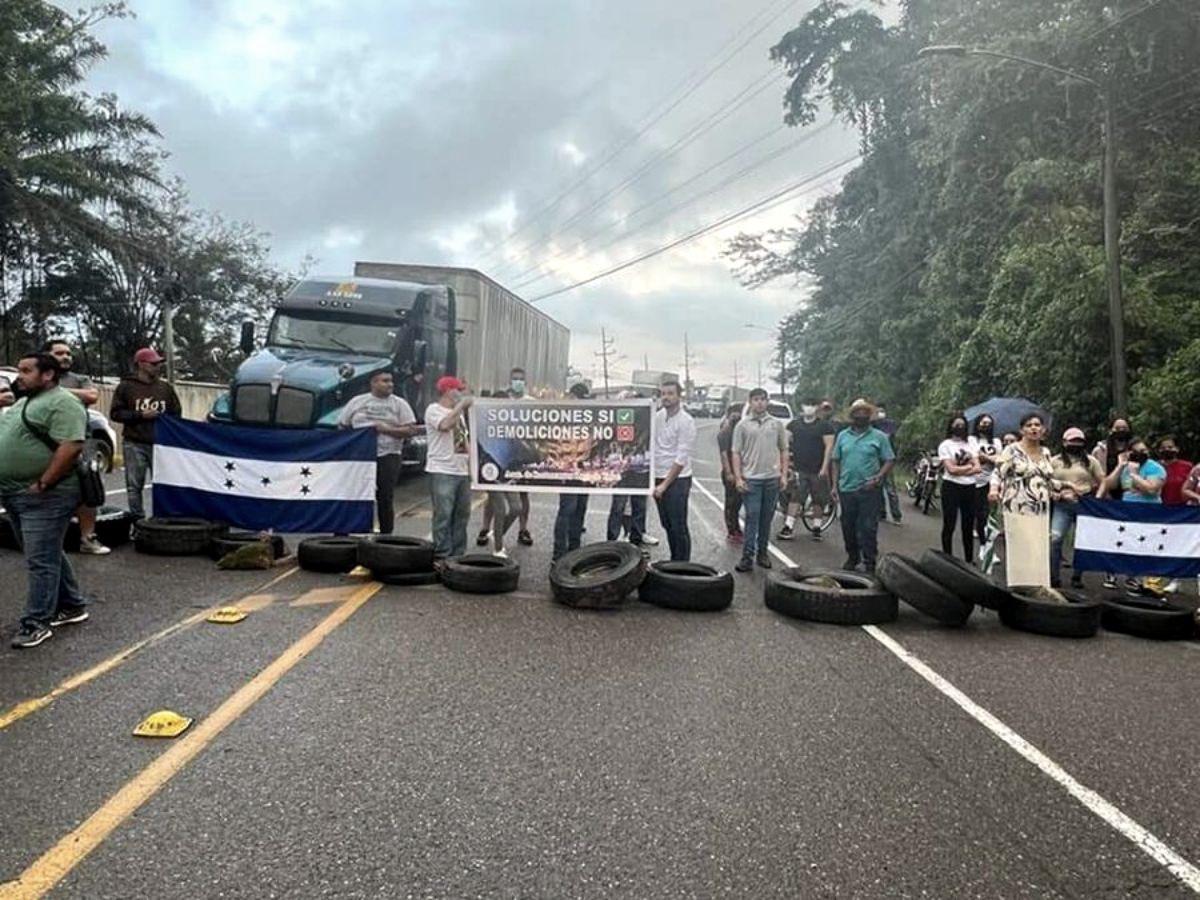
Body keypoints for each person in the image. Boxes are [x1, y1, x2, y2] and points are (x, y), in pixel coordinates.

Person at [2, 352, 90, 649]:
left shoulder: (63, 402)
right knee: (45, 552)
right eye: (19, 370)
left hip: (48, 495)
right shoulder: (26, 402)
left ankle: (37, 622)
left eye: (26, 371)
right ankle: (73, 605)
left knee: (40, 560)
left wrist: (43, 483)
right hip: (15, 493)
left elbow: (71, 446)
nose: (19, 376)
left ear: (48, 374)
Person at [43, 339, 108, 555]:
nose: (65, 357)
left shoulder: (79, 379)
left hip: (81, 439)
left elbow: (92, 395)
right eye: (59, 353)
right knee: (45, 487)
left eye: (68, 353)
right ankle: (45, 540)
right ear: (47, 356)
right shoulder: (39, 377)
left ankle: (87, 538)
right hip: (46, 441)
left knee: (87, 488)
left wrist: (55, 392)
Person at [337, 369, 420, 534]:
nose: (390, 384)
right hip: (359, 457)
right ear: (373, 383)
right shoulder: (357, 402)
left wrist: (385, 429)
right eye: (385, 381)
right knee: (354, 493)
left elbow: (411, 430)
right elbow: (342, 425)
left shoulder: (399, 404)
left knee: (385, 497)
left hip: (388, 456)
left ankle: (386, 535)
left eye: (391, 381)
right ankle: (345, 532)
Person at [109, 348, 182, 521]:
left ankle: (162, 520)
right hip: (135, 442)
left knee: (164, 485)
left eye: (159, 363)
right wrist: (140, 415)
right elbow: (116, 414)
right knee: (135, 485)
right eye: (153, 363)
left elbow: (176, 413)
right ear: (141, 364)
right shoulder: (126, 387)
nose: (157, 367)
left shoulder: (165, 388)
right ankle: (138, 521)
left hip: (160, 444)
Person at [988, 413, 1056, 587]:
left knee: (1038, 550)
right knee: (1021, 549)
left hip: (1041, 508)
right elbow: (998, 473)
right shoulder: (1012, 450)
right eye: (1029, 425)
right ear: (1022, 430)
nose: (1034, 428)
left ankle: (1038, 589)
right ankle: (1018, 588)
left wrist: (1064, 489)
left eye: (1037, 425)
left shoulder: (1046, 452)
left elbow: (1047, 479)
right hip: (1017, 505)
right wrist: (994, 489)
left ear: (1043, 430)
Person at [830, 399, 894, 573]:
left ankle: (870, 561)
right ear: (852, 416)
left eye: (865, 413)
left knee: (868, 527)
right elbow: (835, 460)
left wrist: (879, 477)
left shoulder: (879, 437)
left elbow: (889, 459)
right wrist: (834, 485)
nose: (861, 416)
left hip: (869, 489)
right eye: (857, 413)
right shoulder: (843, 436)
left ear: (869, 416)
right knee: (847, 525)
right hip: (846, 488)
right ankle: (853, 556)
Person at [731, 388, 789, 572]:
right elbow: (736, 453)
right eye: (756, 399)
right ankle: (747, 556)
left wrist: (784, 474)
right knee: (752, 517)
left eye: (763, 399)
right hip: (752, 480)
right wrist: (738, 477)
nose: (760, 403)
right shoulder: (743, 425)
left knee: (766, 518)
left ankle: (762, 553)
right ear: (750, 401)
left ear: (767, 402)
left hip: (772, 478)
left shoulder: (776, 424)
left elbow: (784, 449)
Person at [1102, 436, 1166, 596]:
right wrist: (1120, 466)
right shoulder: (1126, 466)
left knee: (1146, 547)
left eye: (1144, 451)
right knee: (1125, 544)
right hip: (1128, 511)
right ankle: (1121, 575)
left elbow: (1151, 489)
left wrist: (1135, 474)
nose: (1141, 453)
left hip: (1150, 514)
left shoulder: (1155, 468)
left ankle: (1145, 584)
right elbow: (1108, 484)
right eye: (1137, 451)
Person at [1048, 427, 1105, 589]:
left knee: (1082, 542)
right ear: (1065, 442)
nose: (1076, 444)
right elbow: (1044, 482)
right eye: (1072, 441)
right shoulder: (1054, 461)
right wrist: (1055, 494)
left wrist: (1098, 499)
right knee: (1055, 539)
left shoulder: (1090, 461)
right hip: (1061, 504)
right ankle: (1054, 576)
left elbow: (1103, 481)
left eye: (1079, 441)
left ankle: (1077, 576)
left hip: (1084, 503)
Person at [424, 376, 473, 559]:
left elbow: (464, 440)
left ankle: (458, 553)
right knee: (443, 514)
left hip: (461, 470)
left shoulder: (458, 415)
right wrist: (460, 407)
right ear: (448, 391)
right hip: (442, 469)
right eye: (459, 390)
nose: (462, 393)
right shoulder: (434, 410)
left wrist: (472, 466)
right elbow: (445, 425)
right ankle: (441, 553)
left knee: (462, 515)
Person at [651, 380, 697, 561]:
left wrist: (664, 485)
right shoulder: (658, 416)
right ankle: (674, 560)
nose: (666, 397)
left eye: (670, 393)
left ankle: (683, 565)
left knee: (679, 526)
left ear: (679, 396)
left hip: (677, 480)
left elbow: (681, 458)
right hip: (658, 476)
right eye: (663, 393)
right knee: (667, 524)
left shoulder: (686, 421)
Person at [779, 402, 834, 541]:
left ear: (817, 408)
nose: (809, 408)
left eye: (812, 405)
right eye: (806, 405)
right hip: (799, 468)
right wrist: (786, 463)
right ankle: (788, 527)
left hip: (817, 469)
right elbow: (784, 443)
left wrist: (824, 467)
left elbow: (829, 447)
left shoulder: (825, 426)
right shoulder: (794, 425)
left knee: (818, 499)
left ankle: (817, 527)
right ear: (802, 408)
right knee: (795, 497)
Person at [553, 381, 592, 560]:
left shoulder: (589, 417)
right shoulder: (562, 416)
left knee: (580, 508)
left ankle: (574, 549)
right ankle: (559, 552)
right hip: (568, 470)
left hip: (584, 470)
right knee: (568, 509)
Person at [938, 413, 980, 562]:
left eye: (962, 425)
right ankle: (947, 558)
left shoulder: (971, 444)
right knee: (949, 524)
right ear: (951, 427)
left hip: (969, 487)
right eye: (956, 425)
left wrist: (962, 469)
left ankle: (969, 559)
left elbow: (978, 467)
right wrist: (969, 468)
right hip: (951, 487)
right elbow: (951, 470)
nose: (959, 427)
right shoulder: (945, 445)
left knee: (968, 526)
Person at [506, 367, 535, 546]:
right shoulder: (500, 400)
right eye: (515, 379)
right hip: (503, 455)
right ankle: (486, 528)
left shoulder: (532, 402)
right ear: (510, 381)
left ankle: (523, 529)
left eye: (521, 379)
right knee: (494, 494)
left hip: (524, 456)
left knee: (523, 494)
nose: (518, 382)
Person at [970, 413, 1002, 548]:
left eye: (989, 423)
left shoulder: (996, 442)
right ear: (977, 424)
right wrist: (990, 458)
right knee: (977, 510)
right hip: (974, 478)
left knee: (986, 511)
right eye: (983, 423)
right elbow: (974, 456)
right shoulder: (971, 439)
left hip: (991, 479)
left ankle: (986, 541)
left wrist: (984, 457)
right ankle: (982, 540)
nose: (986, 425)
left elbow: (1000, 460)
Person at [716, 406, 744, 542]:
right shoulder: (725, 433)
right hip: (731, 472)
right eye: (734, 414)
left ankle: (736, 527)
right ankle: (732, 530)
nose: (736, 416)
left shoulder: (741, 430)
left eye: (738, 413)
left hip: (742, 471)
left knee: (738, 502)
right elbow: (724, 454)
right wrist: (728, 472)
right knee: (731, 502)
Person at [874, 407, 902, 524]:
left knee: (890, 489)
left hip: (887, 460)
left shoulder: (890, 424)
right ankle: (881, 513)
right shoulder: (873, 425)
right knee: (878, 488)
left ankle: (896, 515)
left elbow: (891, 437)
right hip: (876, 460)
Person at [1155, 437, 1192, 506]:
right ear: (1159, 450)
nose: (1167, 449)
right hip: (1160, 507)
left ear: (1177, 449)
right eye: (1163, 448)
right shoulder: (1154, 467)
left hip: (1183, 508)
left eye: (1170, 447)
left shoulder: (1188, 466)